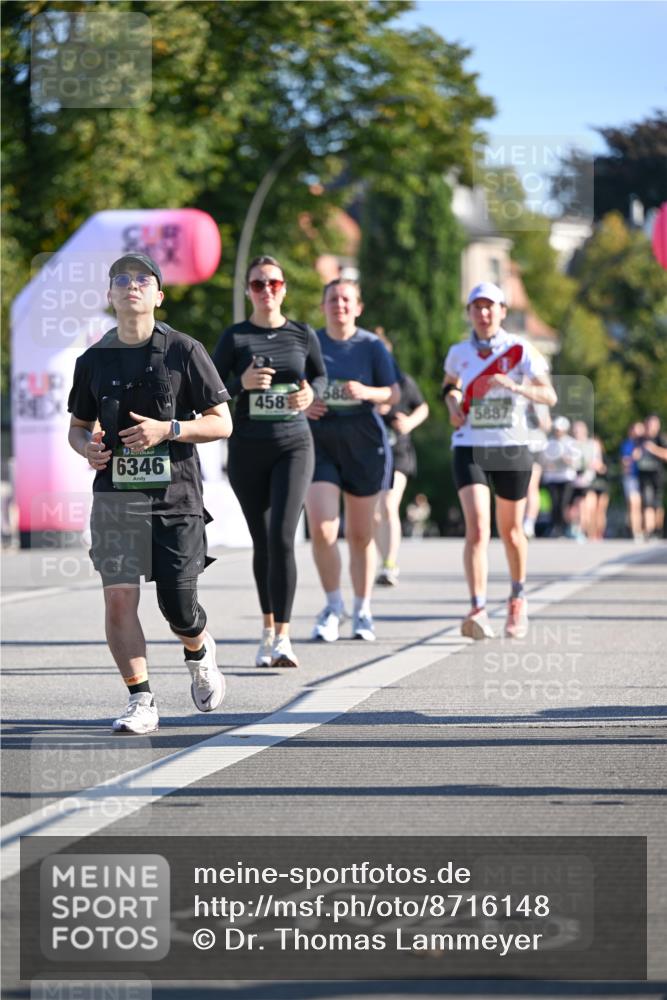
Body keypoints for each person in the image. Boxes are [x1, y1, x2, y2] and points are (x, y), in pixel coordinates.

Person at [68, 253, 233, 734]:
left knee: (178, 606)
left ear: (158, 295)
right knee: (118, 599)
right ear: (110, 295)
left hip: (175, 495)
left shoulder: (184, 350)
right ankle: (140, 699)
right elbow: (78, 428)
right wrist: (88, 451)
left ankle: (199, 651)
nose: (131, 285)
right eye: (121, 278)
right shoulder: (93, 360)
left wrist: (170, 428)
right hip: (116, 495)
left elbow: (223, 422)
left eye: (143, 279)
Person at [212, 255, 327, 669]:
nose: (266, 291)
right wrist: (239, 385)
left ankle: (284, 637)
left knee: (282, 535)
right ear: (248, 291)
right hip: (247, 449)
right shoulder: (236, 337)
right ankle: (266, 629)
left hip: (294, 444)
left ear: (284, 289)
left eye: (274, 284)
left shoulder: (301, 333)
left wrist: (310, 395)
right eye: (258, 285)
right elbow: (207, 390)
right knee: (262, 542)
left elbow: (318, 377)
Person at [442, 282, 557, 640]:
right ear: (470, 312)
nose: (483, 313)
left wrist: (516, 387)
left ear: (503, 310)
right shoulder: (459, 352)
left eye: (490, 306)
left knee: (511, 531)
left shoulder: (521, 350)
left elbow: (549, 395)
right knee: (477, 528)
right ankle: (477, 607)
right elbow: (449, 386)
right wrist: (452, 404)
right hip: (470, 445)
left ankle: (517, 596)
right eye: (476, 307)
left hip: (511, 446)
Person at [305, 278, 400, 642]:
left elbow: (393, 394)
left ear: (357, 307)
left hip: (364, 442)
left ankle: (362, 609)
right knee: (324, 528)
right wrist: (305, 402)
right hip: (321, 442)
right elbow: (294, 388)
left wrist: (367, 392)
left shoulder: (372, 346)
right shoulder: (310, 343)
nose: (339, 305)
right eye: (332, 299)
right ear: (323, 305)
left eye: (346, 299)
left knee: (360, 535)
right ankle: (333, 606)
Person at [373, 332, 430, 586]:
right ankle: (381, 559)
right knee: (374, 514)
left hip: (398, 453)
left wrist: (408, 422)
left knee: (388, 505)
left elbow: (423, 407)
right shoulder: (361, 381)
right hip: (367, 453)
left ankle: (389, 564)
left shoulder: (402, 382)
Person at [540, 417, 579, 538]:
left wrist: (565, 459)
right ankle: (555, 527)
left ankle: (563, 527)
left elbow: (575, 462)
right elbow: (543, 460)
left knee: (563, 503)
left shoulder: (571, 442)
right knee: (554, 503)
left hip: (566, 477)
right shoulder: (549, 442)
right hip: (552, 477)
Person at [636, 414, 667, 539]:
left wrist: (653, 449)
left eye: (654, 424)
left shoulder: (661, 439)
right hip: (644, 475)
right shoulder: (639, 439)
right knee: (647, 502)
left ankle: (657, 529)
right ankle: (649, 530)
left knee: (657, 504)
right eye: (649, 424)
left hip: (657, 475)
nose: (651, 427)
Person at [620, 421, 644, 541]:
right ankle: (636, 531)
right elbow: (624, 462)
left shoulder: (645, 443)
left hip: (645, 478)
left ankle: (640, 529)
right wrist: (632, 458)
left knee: (641, 505)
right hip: (631, 478)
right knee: (634, 504)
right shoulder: (628, 444)